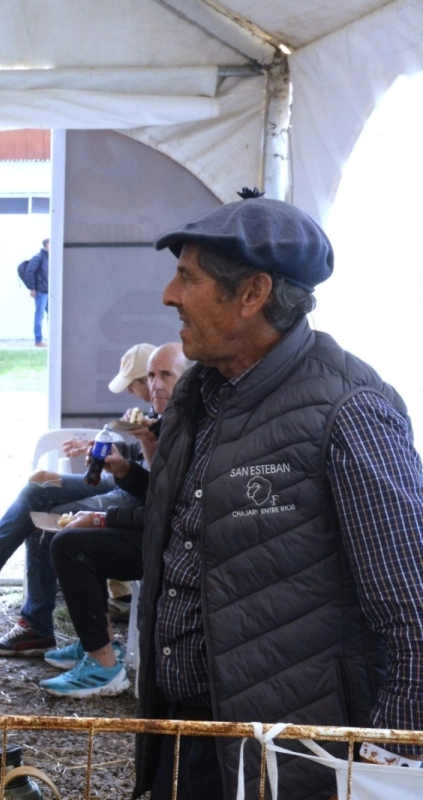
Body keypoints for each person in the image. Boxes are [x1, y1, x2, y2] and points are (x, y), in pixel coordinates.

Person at [136, 193, 423, 800]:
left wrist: (384, 767)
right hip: (188, 734)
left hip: (294, 757)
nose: (169, 295)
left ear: (252, 294)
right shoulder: (199, 396)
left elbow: (412, 613)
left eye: (188, 277)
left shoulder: (350, 411)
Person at [0, 343, 156, 596]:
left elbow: (157, 482)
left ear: (149, 379)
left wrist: (147, 440)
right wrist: (99, 449)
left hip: (138, 494)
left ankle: (36, 623)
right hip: (127, 480)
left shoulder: (172, 414)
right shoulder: (153, 410)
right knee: (39, 485)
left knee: (45, 518)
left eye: (133, 383)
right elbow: (139, 459)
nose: (129, 390)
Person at [38, 343, 188, 699]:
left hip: (180, 546)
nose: (154, 384)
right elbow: (156, 494)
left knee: (70, 545)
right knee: (62, 533)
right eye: (151, 375)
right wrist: (122, 468)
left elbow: (168, 512)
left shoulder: (190, 428)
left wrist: (102, 519)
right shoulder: (165, 422)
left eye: (166, 374)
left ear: (190, 379)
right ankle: (99, 644)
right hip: (161, 532)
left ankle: (104, 667)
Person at [19, 238, 50, 347]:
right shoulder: (39, 257)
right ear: (46, 244)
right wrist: (32, 288)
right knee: (39, 315)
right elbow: (29, 271)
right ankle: (38, 340)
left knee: (52, 315)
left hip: (48, 291)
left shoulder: (50, 258)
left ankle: (52, 338)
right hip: (41, 291)